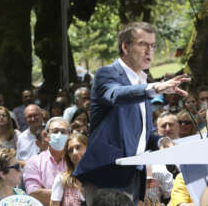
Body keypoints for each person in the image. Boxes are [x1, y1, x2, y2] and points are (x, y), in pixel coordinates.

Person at [73, 22, 190, 205]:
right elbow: (116, 95)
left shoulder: (142, 83)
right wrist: (155, 87)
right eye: (143, 44)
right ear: (125, 46)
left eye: (153, 46)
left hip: (134, 175)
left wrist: (160, 141)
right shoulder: (107, 74)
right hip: (108, 175)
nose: (149, 51)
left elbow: (142, 134)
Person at [23, 117, 69, 206]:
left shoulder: (76, 159)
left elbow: (85, 191)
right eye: (55, 131)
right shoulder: (34, 162)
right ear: (46, 136)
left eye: (63, 132)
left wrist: (47, 191)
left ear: (69, 135)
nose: (59, 135)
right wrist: (71, 192)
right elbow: (34, 195)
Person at [50, 134, 88, 206]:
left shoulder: (98, 177)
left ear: (87, 148)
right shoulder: (62, 179)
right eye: (71, 150)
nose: (75, 152)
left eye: (78, 147)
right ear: (69, 157)